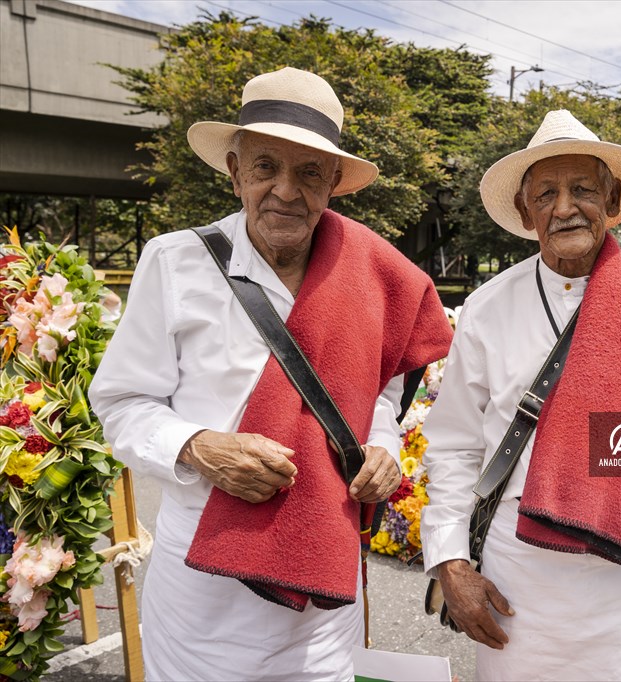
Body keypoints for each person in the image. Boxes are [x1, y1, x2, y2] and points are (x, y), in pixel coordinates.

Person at [89, 67, 453, 680]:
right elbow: (122, 402)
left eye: (309, 172)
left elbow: (380, 393)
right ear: (234, 171)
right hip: (202, 584)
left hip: (322, 591)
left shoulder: (374, 274)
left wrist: (384, 448)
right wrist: (199, 446)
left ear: (334, 182)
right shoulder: (174, 261)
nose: (286, 190)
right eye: (265, 167)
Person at [420, 110, 621, 680]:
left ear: (612, 198)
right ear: (525, 211)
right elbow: (453, 447)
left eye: (583, 189)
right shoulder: (488, 307)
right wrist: (450, 561)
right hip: (514, 585)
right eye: (546, 193)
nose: (565, 207)